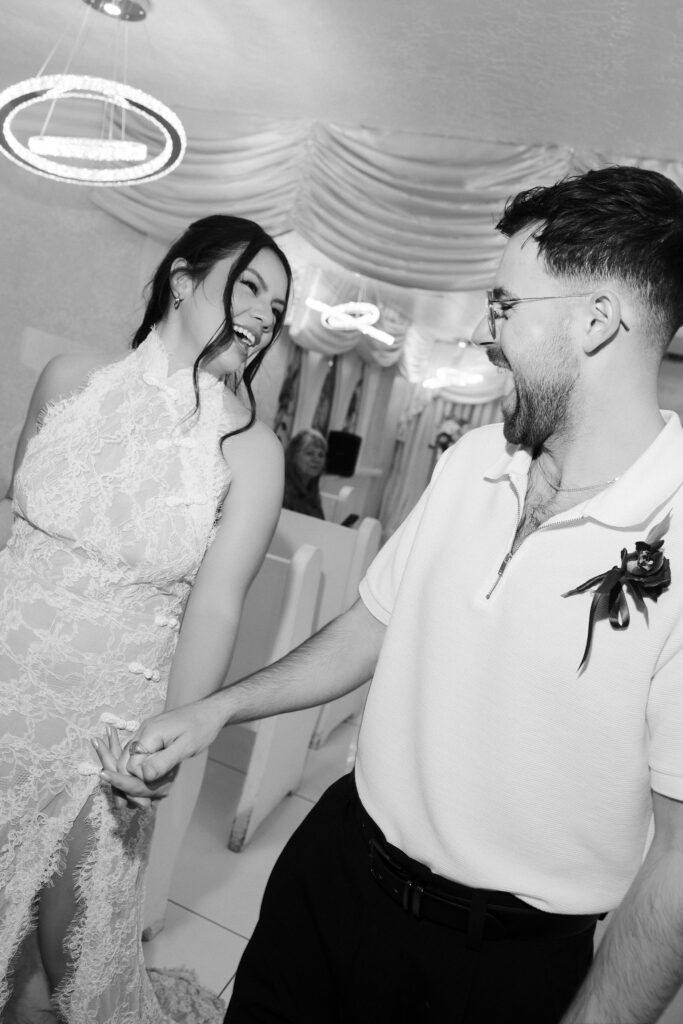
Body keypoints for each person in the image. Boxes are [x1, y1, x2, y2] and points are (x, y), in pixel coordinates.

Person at [98, 166, 683, 1024]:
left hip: (502, 964)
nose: (490, 336)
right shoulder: (471, 464)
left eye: (506, 307)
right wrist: (216, 711)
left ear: (597, 321)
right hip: (336, 868)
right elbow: (371, 625)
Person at [0, 214, 291, 1023]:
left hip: (102, 724)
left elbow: (216, 603)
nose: (266, 314)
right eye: (251, 287)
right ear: (182, 280)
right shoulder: (68, 377)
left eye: (279, 305)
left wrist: (170, 739)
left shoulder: (251, 452)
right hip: (4, 678)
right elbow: (13, 519)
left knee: (80, 956)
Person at [282, 427, 328, 518]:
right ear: (293, 456)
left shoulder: (312, 490)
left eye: (321, 455)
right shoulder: (282, 491)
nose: (316, 459)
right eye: (310, 453)